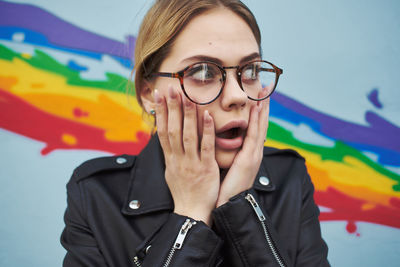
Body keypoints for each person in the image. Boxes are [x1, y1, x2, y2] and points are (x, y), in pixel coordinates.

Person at [61, 0, 330, 266]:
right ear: (148, 93)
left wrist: (240, 205)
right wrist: (191, 213)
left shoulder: (289, 180)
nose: (238, 96)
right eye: (203, 73)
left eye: (251, 71)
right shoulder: (96, 195)